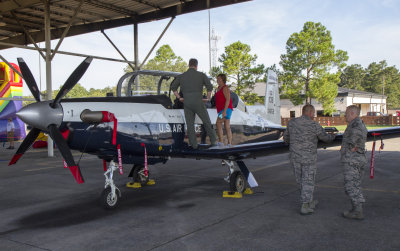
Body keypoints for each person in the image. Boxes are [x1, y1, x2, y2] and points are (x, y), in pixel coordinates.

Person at [283, 104, 335, 215]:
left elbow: (286, 138)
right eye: (314, 113)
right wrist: (333, 136)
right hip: (308, 158)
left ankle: (309, 200)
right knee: (308, 181)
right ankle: (305, 205)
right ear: (310, 112)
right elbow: (325, 138)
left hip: (295, 157)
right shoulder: (313, 125)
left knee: (300, 180)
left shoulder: (292, 123)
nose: (314, 115)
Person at [171, 58, 216, 149]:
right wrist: (207, 98)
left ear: (189, 65)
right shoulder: (201, 75)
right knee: (206, 122)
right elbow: (210, 87)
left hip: (187, 103)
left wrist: (179, 98)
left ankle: (194, 145)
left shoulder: (182, 76)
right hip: (199, 102)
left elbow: (173, 87)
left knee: (190, 124)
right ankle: (214, 141)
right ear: (196, 66)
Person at [340, 105, 368, 220]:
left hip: (352, 160)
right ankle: (355, 208)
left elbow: (354, 141)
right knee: (354, 184)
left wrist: (352, 147)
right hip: (356, 158)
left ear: (352, 113)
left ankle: (357, 211)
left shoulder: (356, 125)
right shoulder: (357, 123)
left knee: (351, 186)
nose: (345, 115)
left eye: (346, 113)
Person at [215, 73, 233, 147]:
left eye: (219, 79)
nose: (217, 80)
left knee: (218, 122)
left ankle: (221, 142)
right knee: (227, 126)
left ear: (223, 79)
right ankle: (229, 144)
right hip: (222, 109)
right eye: (217, 79)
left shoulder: (225, 88)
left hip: (226, 109)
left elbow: (228, 100)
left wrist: (224, 111)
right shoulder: (218, 88)